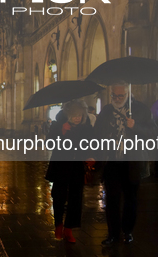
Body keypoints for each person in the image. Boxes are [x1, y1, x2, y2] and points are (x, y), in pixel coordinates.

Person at [95, 84, 157, 245]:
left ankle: (127, 230)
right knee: (112, 199)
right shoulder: (106, 111)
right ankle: (113, 234)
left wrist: (135, 126)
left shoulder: (140, 110)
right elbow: (96, 134)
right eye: (114, 96)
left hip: (132, 161)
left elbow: (153, 133)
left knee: (131, 199)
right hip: (112, 161)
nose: (116, 99)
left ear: (128, 95)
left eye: (120, 96)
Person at [45, 100, 91, 243]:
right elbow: (49, 143)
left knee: (76, 198)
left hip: (77, 166)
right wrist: (62, 132)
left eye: (80, 115)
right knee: (59, 196)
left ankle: (69, 228)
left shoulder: (86, 126)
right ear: (68, 115)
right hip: (61, 166)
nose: (77, 118)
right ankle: (58, 223)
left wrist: (91, 155)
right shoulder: (58, 124)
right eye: (74, 115)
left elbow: (92, 142)